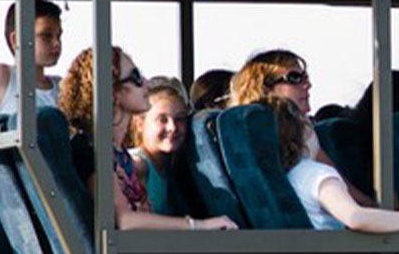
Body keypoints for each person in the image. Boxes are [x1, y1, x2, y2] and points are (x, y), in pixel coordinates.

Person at [61, 48, 236, 232]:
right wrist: (198, 225)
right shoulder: (92, 148)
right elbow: (125, 220)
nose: (145, 83)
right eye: (136, 77)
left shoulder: (118, 153)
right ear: (113, 91)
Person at [273, 99, 399, 233]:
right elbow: (355, 217)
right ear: (302, 132)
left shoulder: (288, 175)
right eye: (308, 123)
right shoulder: (316, 174)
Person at [128, 76, 191, 216]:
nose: (172, 127)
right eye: (162, 119)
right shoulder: (140, 165)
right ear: (140, 124)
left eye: (179, 119)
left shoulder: (167, 163)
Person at [231, 49, 311, 113]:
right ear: (263, 87)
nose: (307, 85)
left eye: (306, 78)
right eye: (295, 78)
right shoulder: (255, 132)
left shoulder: (314, 131)